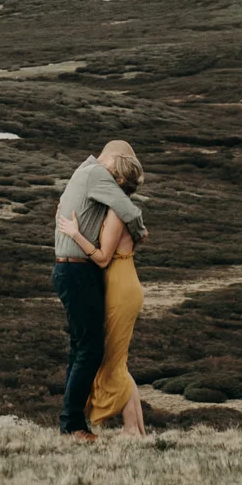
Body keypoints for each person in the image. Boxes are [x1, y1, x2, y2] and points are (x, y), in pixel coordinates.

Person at [51, 140, 144, 439]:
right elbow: (128, 210)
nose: (118, 184)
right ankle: (73, 424)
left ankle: (73, 422)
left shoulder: (83, 171)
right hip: (77, 269)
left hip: (77, 268)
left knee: (81, 348)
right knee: (90, 349)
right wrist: (140, 230)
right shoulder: (97, 174)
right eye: (120, 174)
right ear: (115, 160)